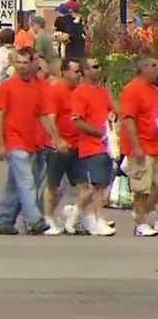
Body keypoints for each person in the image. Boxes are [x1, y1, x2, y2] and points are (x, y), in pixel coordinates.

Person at [0, 48, 49, 235]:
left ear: (33, 63)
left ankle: (3, 220)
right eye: (18, 63)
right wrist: (0, 143)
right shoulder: (7, 86)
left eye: (25, 63)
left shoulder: (38, 86)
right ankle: (34, 219)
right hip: (14, 141)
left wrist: (55, 138)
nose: (21, 67)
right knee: (26, 181)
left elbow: (43, 115)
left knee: (15, 183)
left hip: (31, 141)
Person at [68, 57, 115, 236]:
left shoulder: (102, 92)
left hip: (106, 146)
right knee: (95, 186)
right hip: (90, 146)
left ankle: (84, 215)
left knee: (102, 185)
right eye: (94, 66)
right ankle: (94, 219)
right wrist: (99, 133)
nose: (98, 69)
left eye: (98, 65)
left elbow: (111, 110)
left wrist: (111, 119)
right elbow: (78, 121)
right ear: (85, 71)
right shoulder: (80, 92)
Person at [42, 58, 82, 235]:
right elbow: (50, 117)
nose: (78, 75)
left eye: (80, 71)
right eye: (75, 71)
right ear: (64, 72)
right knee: (53, 185)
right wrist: (58, 140)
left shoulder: (79, 91)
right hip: (59, 146)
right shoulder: (56, 90)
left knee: (82, 185)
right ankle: (48, 218)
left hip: (78, 144)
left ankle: (71, 214)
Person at [120, 59, 158, 237]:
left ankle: (142, 214)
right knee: (141, 187)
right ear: (143, 68)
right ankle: (141, 224)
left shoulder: (154, 90)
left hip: (155, 144)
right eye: (154, 65)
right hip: (141, 145)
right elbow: (128, 117)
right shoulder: (133, 89)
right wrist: (136, 144)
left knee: (155, 186)